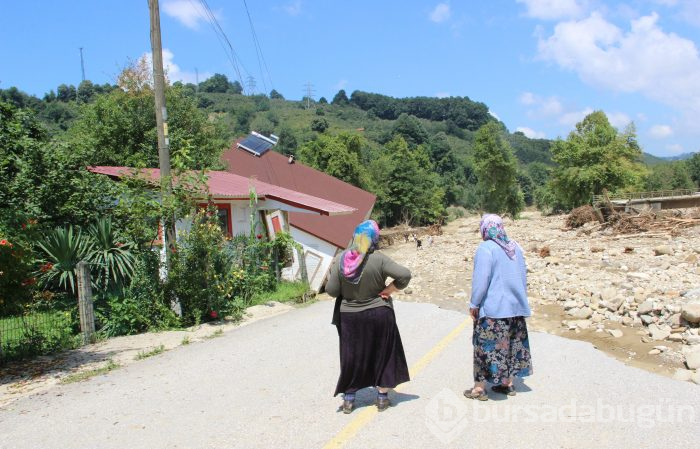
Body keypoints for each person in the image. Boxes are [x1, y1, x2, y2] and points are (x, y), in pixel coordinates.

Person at [327, 220, 412, 414]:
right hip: (378, 314)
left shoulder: (341, 259)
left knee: (352, 356)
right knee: (383, 353)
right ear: (373, 238)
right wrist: (389, 290)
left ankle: (349, 398)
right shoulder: (379, 259)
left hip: (350, 318)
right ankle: (382, 397)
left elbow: (331, 291)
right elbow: (405, 275)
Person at [464, 214, 532, 401]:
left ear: (485, 229)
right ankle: (507, 383)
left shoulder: (486, 248)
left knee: (483, 347)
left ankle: (479, 388)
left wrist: (474, 303)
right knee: (510, 346)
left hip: (494, 310)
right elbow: (522, 277)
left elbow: (481, 280)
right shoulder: (515, 247)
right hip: (515, 309)